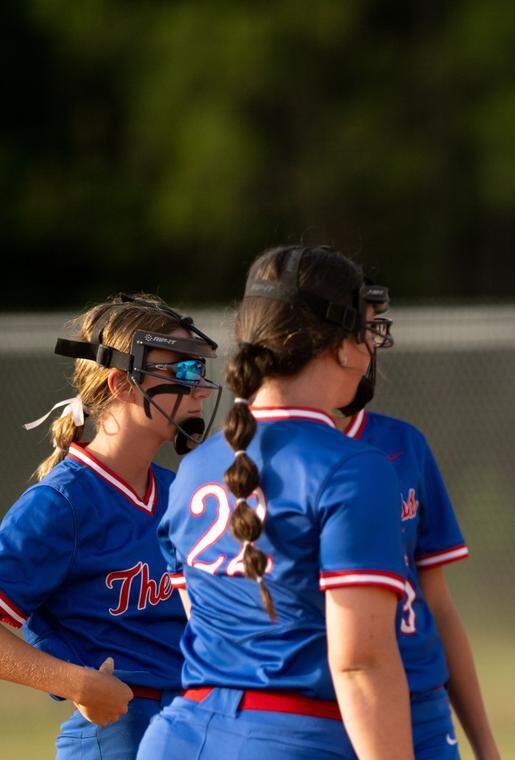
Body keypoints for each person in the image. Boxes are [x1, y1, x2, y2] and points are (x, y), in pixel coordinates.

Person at [138, 245, 413, 760]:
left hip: (177, 735)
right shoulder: (355, 467)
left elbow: (207, 624)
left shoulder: (195, 468)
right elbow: (360, 664)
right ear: (343, 345)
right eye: (365, 330)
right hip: (294, 736)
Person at [0, 293, 220, 759]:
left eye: (198, 371)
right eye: (182, 371)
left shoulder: (181, 490)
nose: (199, 387)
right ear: (122, 384)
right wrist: (75, 682)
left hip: (192, 726)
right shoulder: (62, 503)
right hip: (117, 736)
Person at [338, 339, 500, 758]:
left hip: (419, 691)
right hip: (330, 700)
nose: (370, 342)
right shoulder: (282, 455)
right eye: (361, 325)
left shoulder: (403, 443)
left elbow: (437, 603)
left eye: (374, 327)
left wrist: (485, 745)